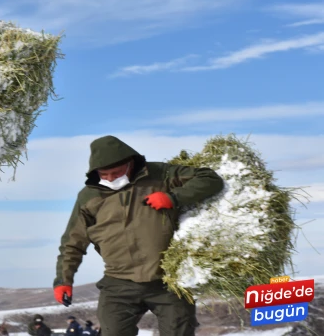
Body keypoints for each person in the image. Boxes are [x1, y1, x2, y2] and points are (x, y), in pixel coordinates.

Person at [52, 135, 224, 336]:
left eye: (115, 173)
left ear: (129, 163)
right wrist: (63, 280)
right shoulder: (89, 195)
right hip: (118, 283)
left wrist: (174, 198)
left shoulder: (160, 175)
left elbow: (210, 179)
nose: (109, 179)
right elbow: (73, 242)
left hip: (168, 282)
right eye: (103, 174)